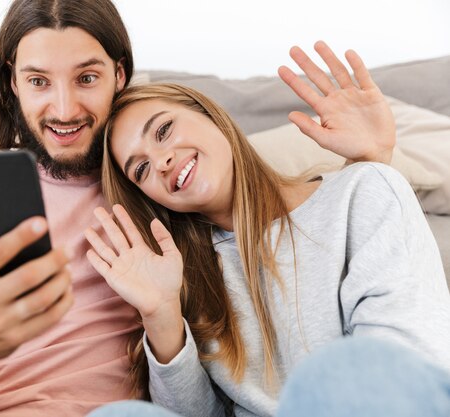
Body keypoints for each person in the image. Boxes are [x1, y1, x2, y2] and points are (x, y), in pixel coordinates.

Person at [0, 2, 394, 417]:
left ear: (120, 74)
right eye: (39, 81)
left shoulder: (161, 177)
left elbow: (279, 211)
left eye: (88, 78)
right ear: (13, 87)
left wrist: (374, 161)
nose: (65, 108)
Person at [82, 44, 450, 417]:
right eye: (140, 169)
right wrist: (161, 314)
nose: (160, 162)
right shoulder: (185, 278)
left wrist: (369, 166)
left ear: (210, 113)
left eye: (163, 130)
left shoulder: (364, 191)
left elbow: (404, 368)